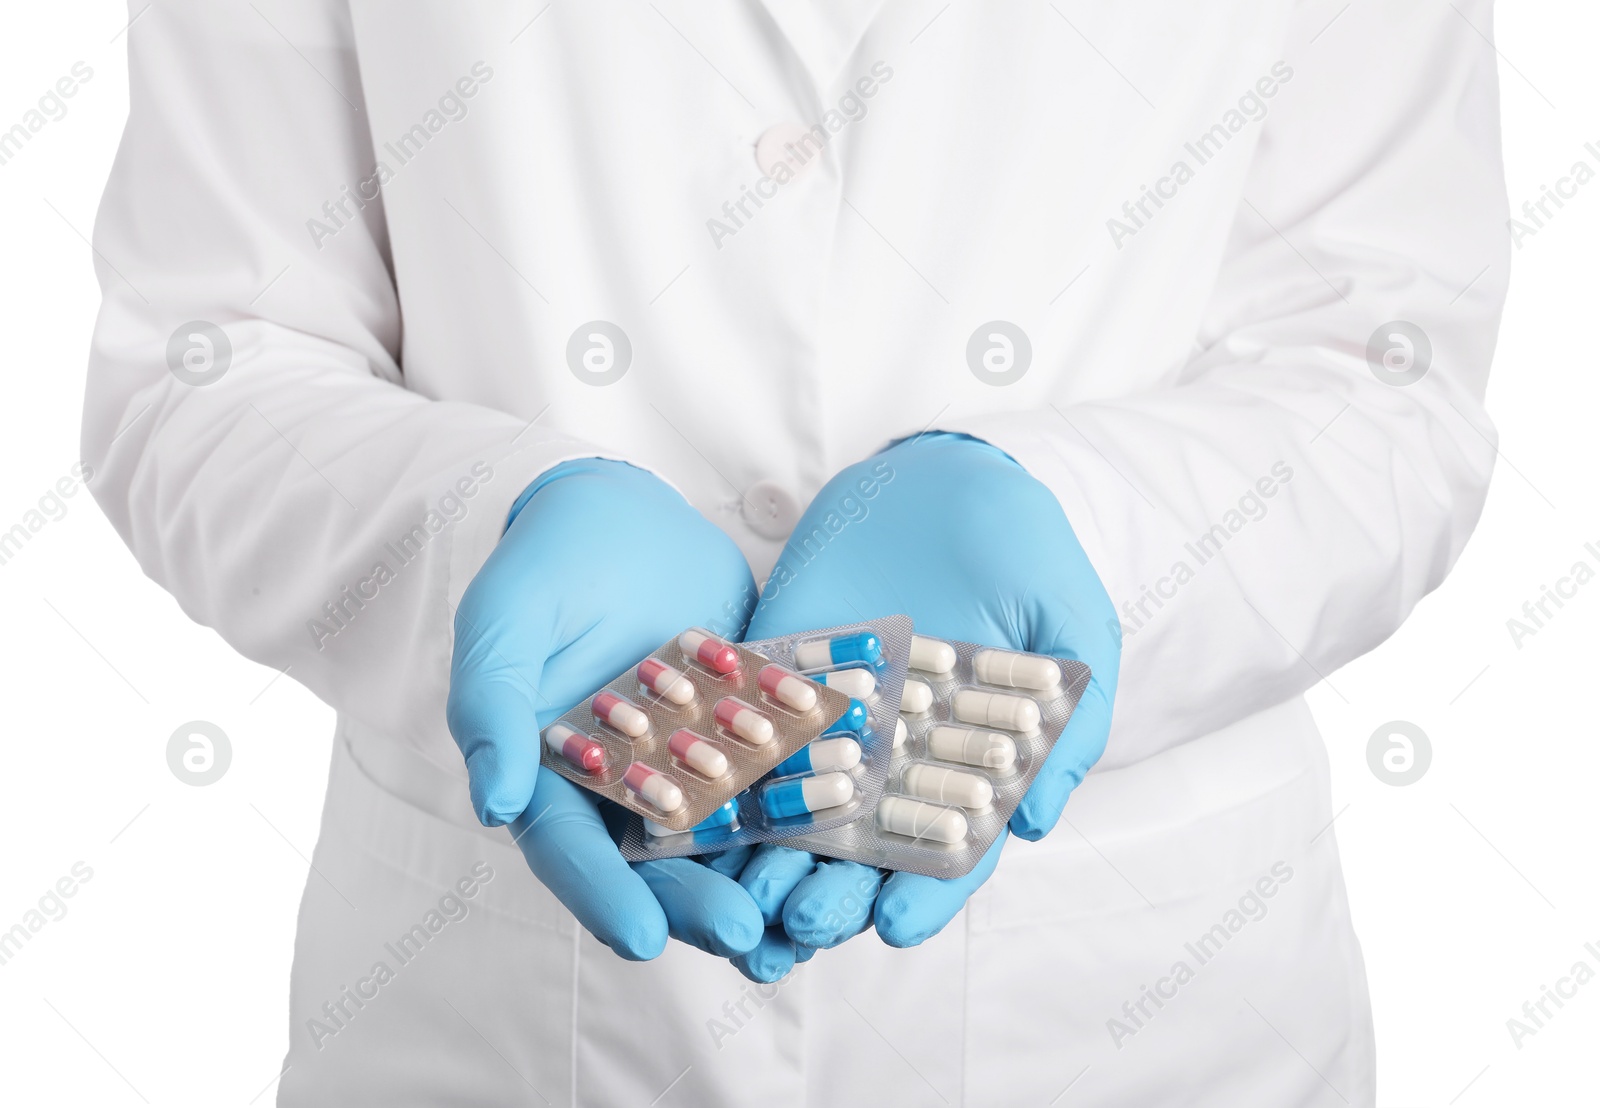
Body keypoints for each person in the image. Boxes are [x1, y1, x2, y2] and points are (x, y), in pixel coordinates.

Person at [83, 1, 1508, 1104]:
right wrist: (482, 532)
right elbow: (205, 360)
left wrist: (1079, 524)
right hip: (491, 1024)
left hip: (1147, 1016)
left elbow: (1382, 374)